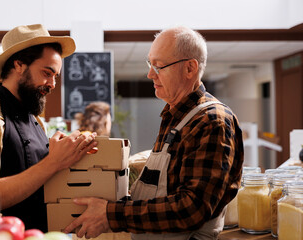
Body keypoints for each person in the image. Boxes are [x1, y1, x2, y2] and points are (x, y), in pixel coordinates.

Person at [64, 26, 244, 240]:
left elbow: (192, 209)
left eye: (159, 66)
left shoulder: (212, 121)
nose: (150, 74)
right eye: (150, 64)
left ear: (190, 68)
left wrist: (111, 214)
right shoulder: (174, 115)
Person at [0, 24, 97, 232]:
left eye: (56, 76)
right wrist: (53, 162)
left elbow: (38, 178)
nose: (53, 84)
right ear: (19, 65)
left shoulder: (33, 118)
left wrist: (73, 155)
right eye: (47, 73)